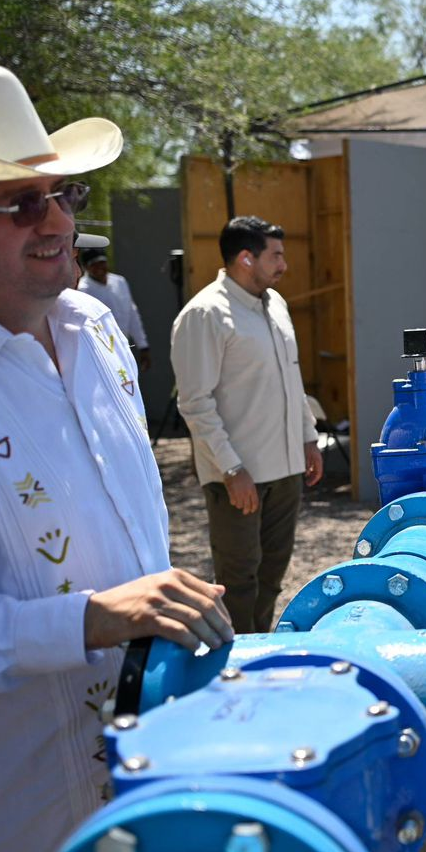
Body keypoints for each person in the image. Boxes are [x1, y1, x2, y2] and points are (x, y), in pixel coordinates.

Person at [0, 65, 232, 852]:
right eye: (18, 204)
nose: (56, 221)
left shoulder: (94, 329)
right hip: (1, 825)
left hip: (147, 793)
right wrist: (89, 619)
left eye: (63, 195)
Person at [171, 215, 323, 633]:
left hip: (286, 468)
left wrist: (308, 437)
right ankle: (237, 662)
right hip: (239, 477)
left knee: (272, 575)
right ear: (244, 258)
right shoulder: (204, 314)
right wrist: (231, 469)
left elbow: (291, 378)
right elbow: (195, 402)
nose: (284, 265)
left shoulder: (276, 304)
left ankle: (261, 649)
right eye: (275, 256)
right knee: (239, 580)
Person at [76, 247, 151, 371]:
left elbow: (132, 314)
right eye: (93, 264)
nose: (99, 267)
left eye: (102, 262)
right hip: (98, 353)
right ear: (86, 268)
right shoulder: (82, 289)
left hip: (123, 349)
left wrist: (143, 346)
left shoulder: (119, 282)